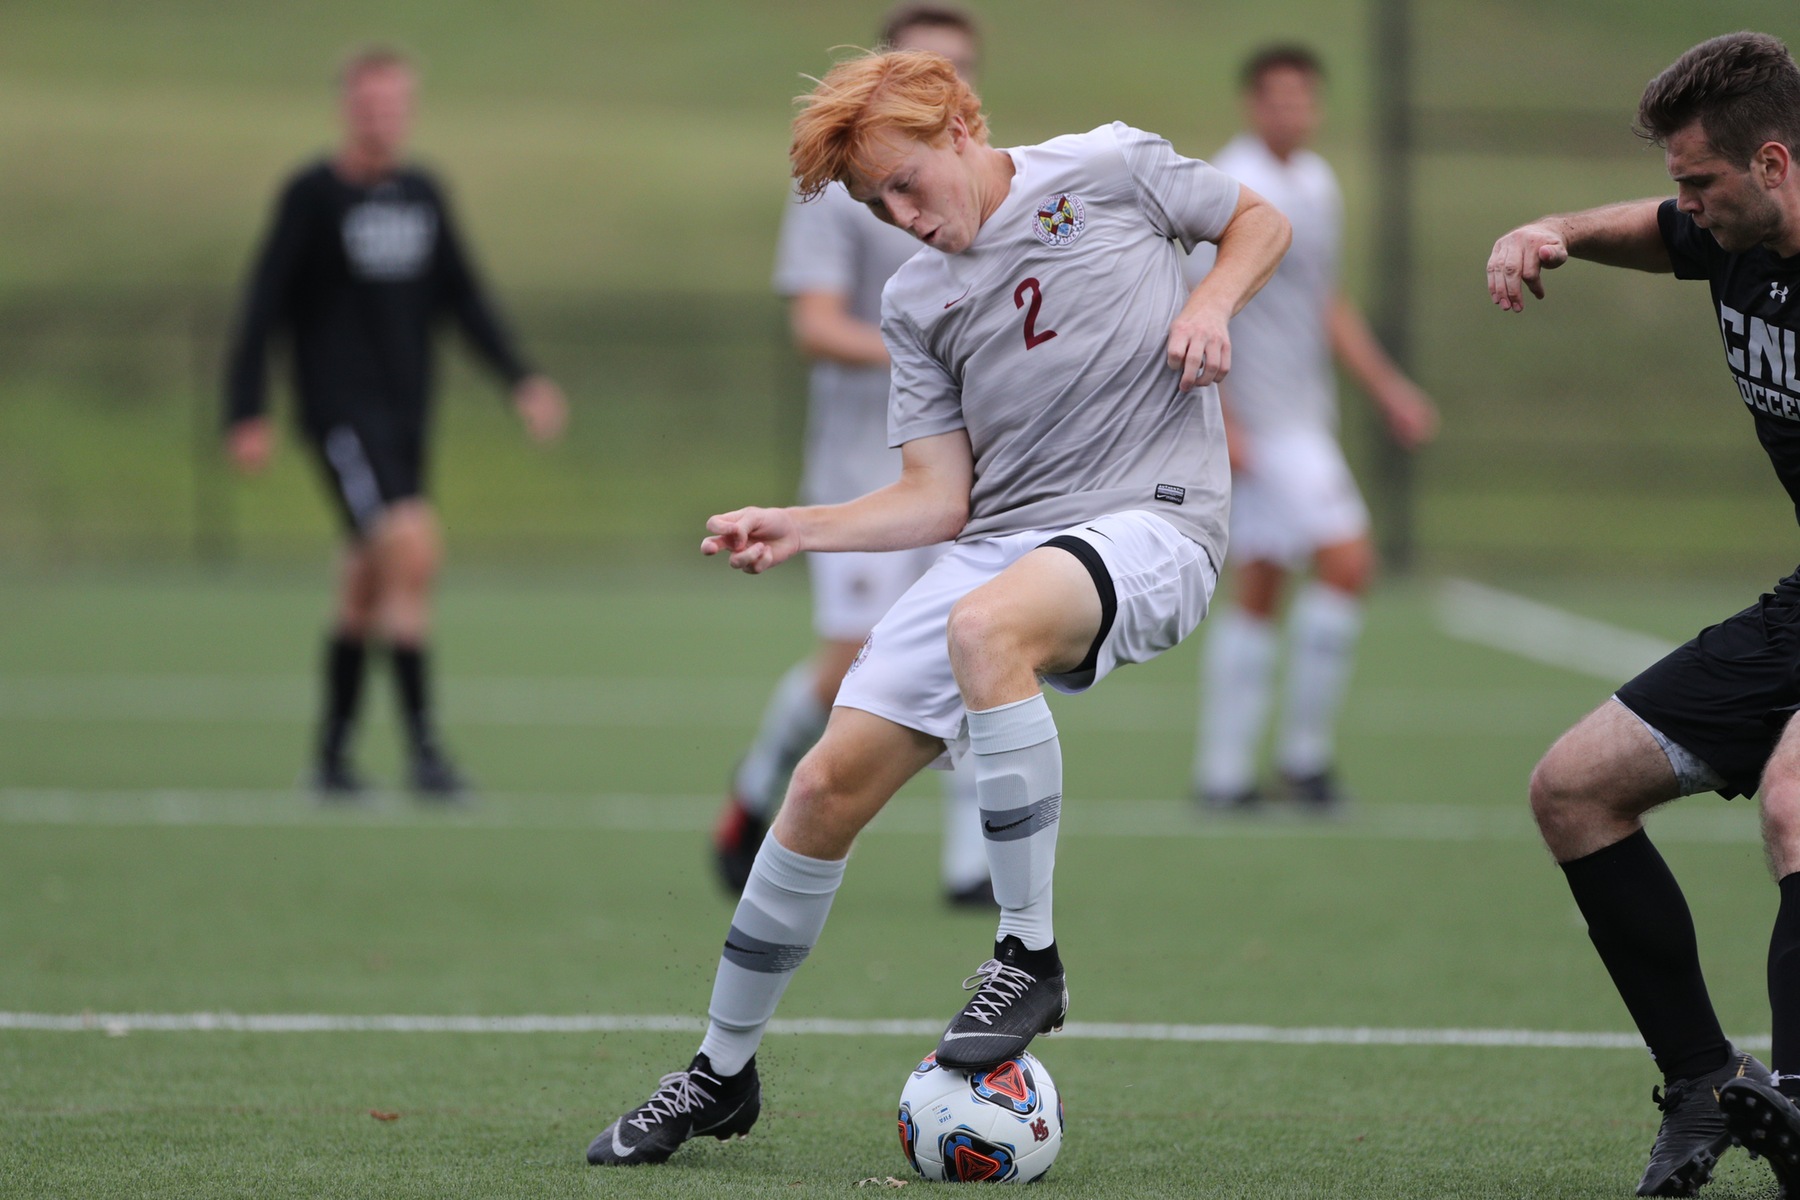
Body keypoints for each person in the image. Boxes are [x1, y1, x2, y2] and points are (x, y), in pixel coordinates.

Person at [587, 47, 1288, 1165]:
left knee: (985, 629)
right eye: (875, 204)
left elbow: (1259, 218)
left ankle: (1029, 958)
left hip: (1158, 521)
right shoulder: (916, 299)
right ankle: (720, 1071)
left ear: (962, 126)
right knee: (819, 788)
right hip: (1004, 544)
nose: (900, 216)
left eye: (905, 183)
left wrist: (1211, 301)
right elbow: (939, 497)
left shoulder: (1105, 168)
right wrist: (800, 522)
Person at [1486, 31, 1800, 1198]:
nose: (1685, 206)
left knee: (1794, 799)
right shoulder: (1740, 231)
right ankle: (1704, 1085)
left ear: (1771, 161)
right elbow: (1657, 231)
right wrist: (1554, 231)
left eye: (1698, 182)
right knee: (1574, 789)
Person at [223, 46, 567, 800]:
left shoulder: (422, 193)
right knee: (412, 548)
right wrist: (245, 410)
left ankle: (332, 760)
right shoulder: (312, 196)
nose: (382, 116)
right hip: (340, 416)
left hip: (409, 415)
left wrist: (522, 378)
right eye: (369, 103)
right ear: (348, 107)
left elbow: (464, 296)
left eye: (394, 104)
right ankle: (424, 751)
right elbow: (262, 306)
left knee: (364, 581)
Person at [713, 4, 992, 908]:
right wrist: (924, 348)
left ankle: (968, 863)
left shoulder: (986, 177)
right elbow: (816, 324)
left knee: (974, 634)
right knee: (851, 663)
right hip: (859, 465)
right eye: (928, 62)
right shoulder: (845, 187)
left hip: (964, 466)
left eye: (959, 68)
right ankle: (758, 784)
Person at [1189, 44, 1437, 813]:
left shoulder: (1317, 184)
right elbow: (1198, 299)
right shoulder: (1229, 185)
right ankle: (1303, 759)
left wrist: (1388, 387)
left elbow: (1326, 302)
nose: (1291, 110)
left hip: (1304, 416)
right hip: (1257, 420)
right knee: (1348, 559)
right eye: (1277, 97)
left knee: (1261, 584)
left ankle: (1224, 775)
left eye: (1304, 97)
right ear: (1252, 104)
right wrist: (1220, 417)